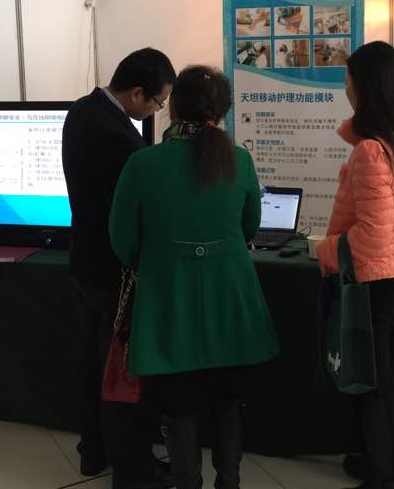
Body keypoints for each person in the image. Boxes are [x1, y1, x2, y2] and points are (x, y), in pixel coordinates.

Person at [109, 66, 279, 489]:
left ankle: (188, 482)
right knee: (228, 401)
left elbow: (122, 240)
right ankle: (230, 480)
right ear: (222, 112)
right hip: (231, 299)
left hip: (169, 300)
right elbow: (250, 228)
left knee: (178, 406)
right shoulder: (240, 160)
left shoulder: (142, 163)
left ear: (173, 107)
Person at [316, 41, 394, 489]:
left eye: (348, 80)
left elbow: (371, 237)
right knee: (387, 379)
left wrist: (325, 250)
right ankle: (383, 462)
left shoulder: (371, 150)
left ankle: (383, 474)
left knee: (370, 383)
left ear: (367, 87)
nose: (345, 89)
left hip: (373, 283)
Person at [62, 48, 176, 488]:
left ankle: (92, 452)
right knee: (121, 373)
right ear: (136, 93)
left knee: (89, 365)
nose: (158, 110)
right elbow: (133, 212)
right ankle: (132, 469)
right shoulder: (118, 138)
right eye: (158, 102)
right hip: (114, 271)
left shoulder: (81, 110)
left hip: (84, 262)